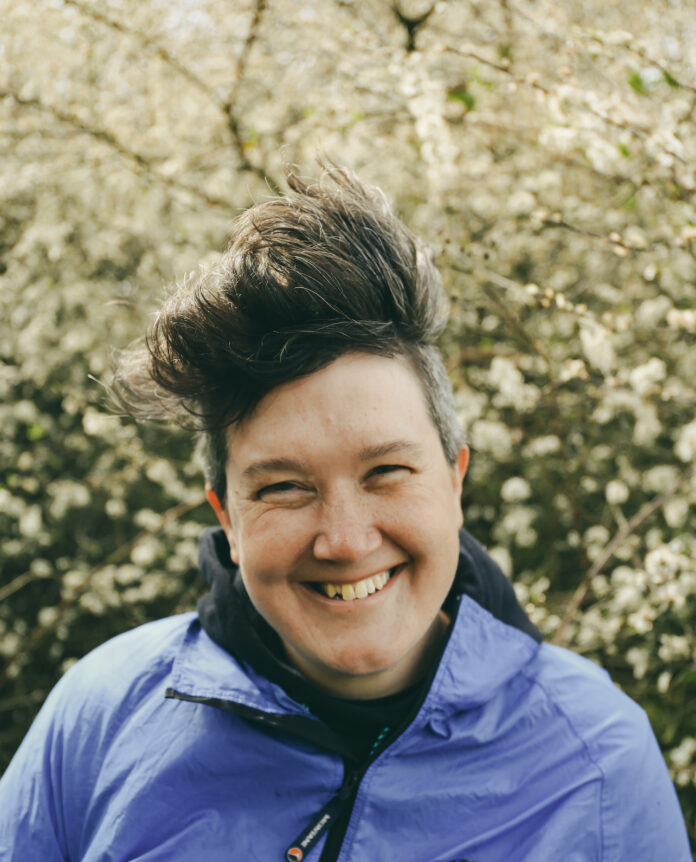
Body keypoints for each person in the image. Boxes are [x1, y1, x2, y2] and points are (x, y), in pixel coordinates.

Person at [0, 164, 690, 862]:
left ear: (455, 483)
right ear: (228, 520)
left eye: (386, 472)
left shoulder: (597, 762)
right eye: (283, 488)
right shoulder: (99, 719)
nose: (345, 539)